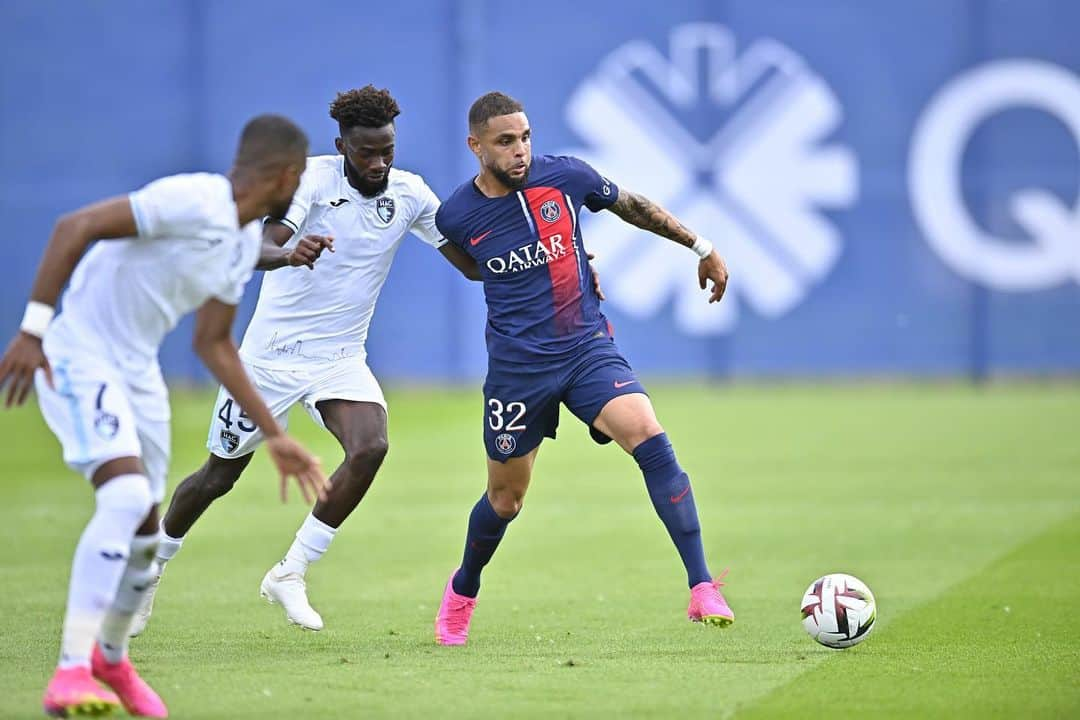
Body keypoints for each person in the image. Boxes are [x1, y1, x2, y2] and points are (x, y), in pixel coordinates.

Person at [0, 114, 328, 718]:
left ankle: (112, 660)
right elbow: (76, 227)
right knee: (123, 499)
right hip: (79, 354)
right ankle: (71, 670)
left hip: (138, 373)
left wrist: (275, 435)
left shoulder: (237, 245)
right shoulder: (191, 199)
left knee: (147, 535)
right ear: (286, 175)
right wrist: (32, 330)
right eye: (300, 176)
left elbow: (214, 344)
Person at [131, 86, 482, 635]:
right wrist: (288, 252)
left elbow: (472, 263)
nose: (379, 162)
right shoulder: (312, 181)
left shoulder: (410, 193)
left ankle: (291, 570)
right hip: (268, 362)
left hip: (339, 359)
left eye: (387, 149)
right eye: (367, 152)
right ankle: (150, 570)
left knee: (371, 447)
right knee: (217, 478)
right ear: (342, 145)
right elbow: (263, 247)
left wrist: (548, 261)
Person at [431, 92, 733, 646]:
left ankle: (702, 585)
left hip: (585, 348)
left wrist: (701, 245)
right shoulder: (456, 215)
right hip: (518, 372)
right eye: (504, 141)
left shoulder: (566, 176)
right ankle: (462, 591)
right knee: (506, 499)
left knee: (649, 436)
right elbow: (476, 268)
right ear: (476, 147)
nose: (520, 150)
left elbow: (633, 207)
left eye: (524, 137)